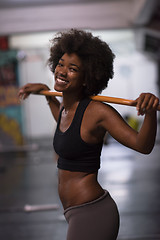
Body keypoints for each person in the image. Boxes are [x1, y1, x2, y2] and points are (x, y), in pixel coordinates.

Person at [18, 29, 159, 240]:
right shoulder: (67, 110)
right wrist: (48, 94)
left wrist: (150, 112)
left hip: (92, 212)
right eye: (61, 64)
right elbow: (66, 128)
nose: (62, 71)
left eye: (73, 69)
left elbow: (142, 145)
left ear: (87, 78)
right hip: (73, 211)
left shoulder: (98, 112)